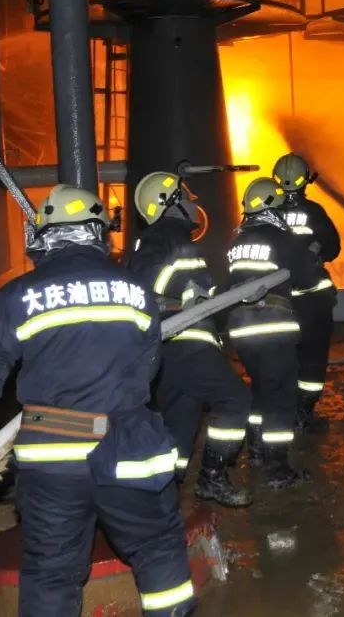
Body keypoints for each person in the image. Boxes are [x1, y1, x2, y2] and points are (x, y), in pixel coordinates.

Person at [0, 185, 194, 617]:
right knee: (158, 549)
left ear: (42, 235)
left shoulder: (16, 295)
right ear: (100, 233)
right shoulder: (135, 289)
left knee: (51, 572)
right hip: (127, 449)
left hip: (51, 456)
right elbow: (148, 365)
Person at [129, 171, 252, 508]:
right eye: (184, 197)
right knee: (235, 400)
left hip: (172, 346)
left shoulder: (165, 238)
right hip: (185, 342)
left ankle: (163, 492)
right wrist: (186, 293)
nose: (192, 204)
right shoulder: (165, 235)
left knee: (181, 422)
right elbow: (144, 281)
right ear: (169, 202)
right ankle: (212, 477)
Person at [225, 177, 323, 488]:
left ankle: (255, 450)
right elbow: (307, 279)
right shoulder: (282, 238)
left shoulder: (236, 241)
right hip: (274, 326)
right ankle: (277, 467)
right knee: (281, 395)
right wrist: (308, 256)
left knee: (260, 387)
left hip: (241, 329)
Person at [272, 153, 340, 432]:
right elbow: (333, 248)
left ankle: (280, 410)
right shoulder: (314, 212)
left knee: (280, 356)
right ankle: (304, 412)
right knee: (313, 357)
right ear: (305, 181)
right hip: (313, 300)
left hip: (277, 300)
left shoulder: (266, 212)